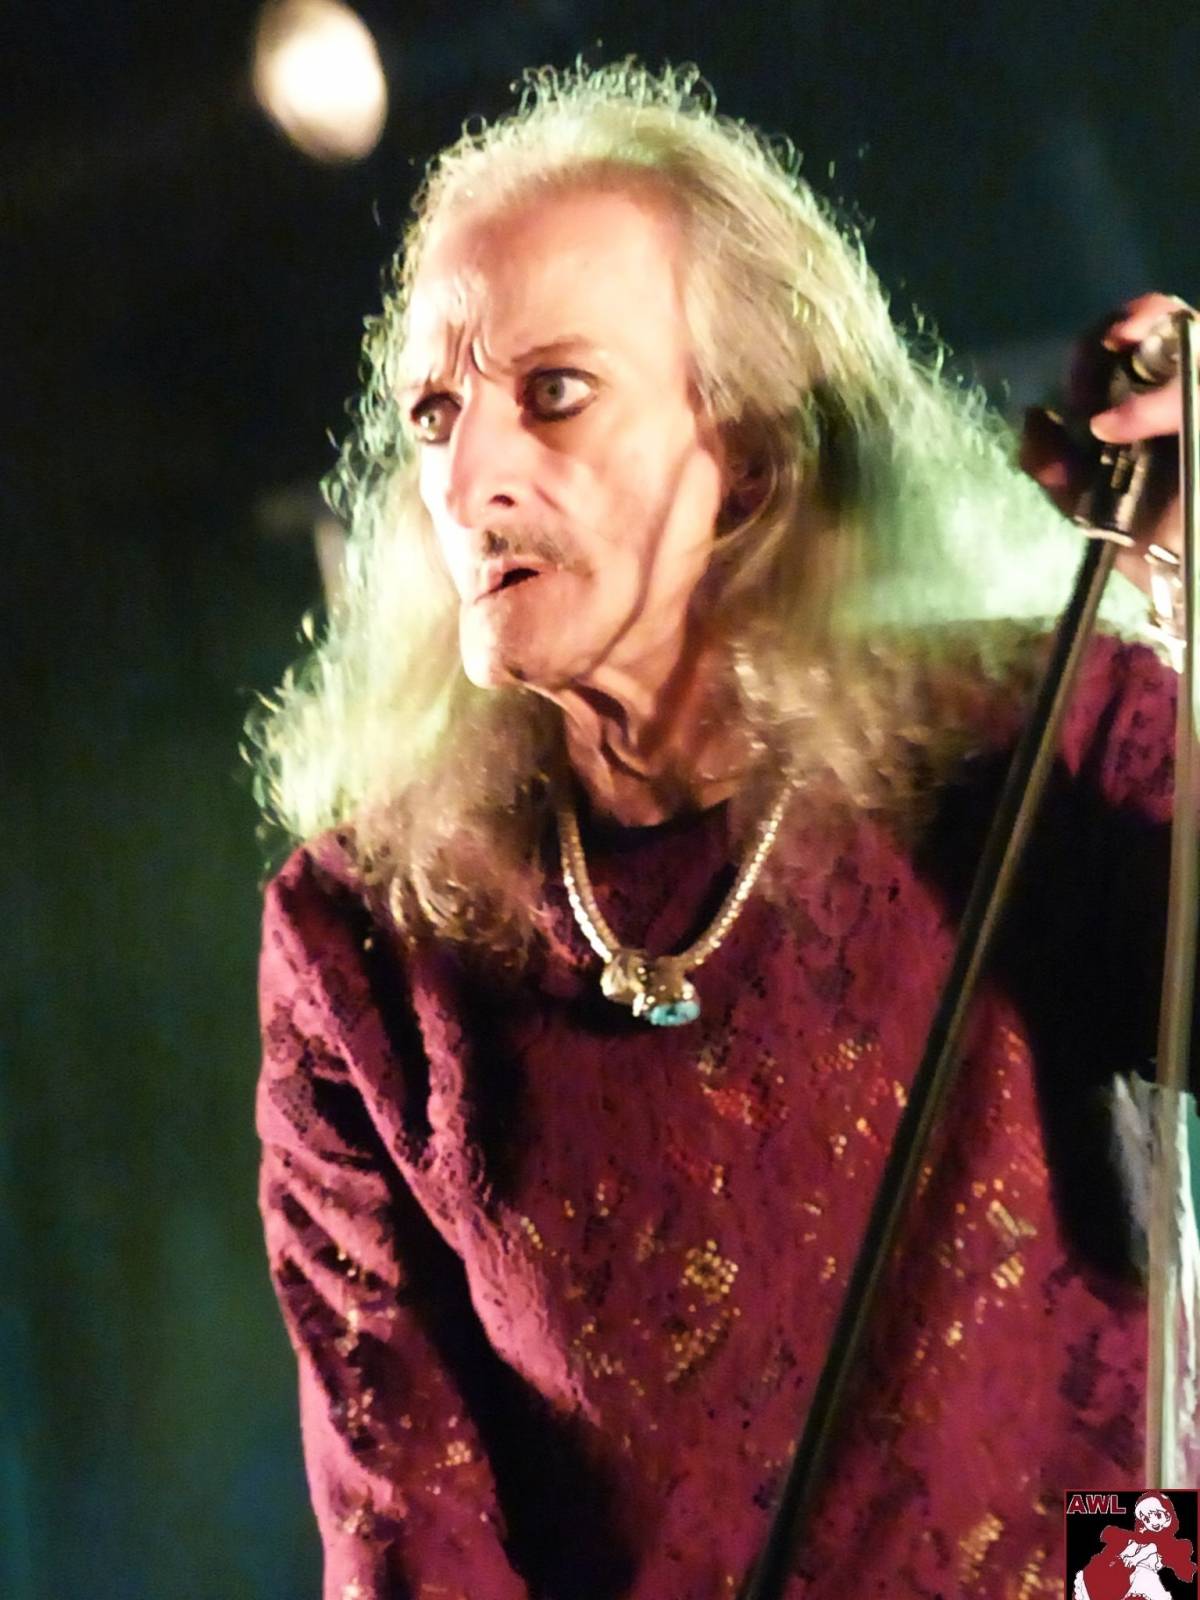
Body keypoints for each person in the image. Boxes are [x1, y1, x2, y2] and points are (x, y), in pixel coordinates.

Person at [248, 63, 1196, 1600]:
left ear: (746, 452)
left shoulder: (1034, 738)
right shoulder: (360, 935)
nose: (468, 480)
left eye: (555, 393)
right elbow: (406, 1526)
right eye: (435, 412)